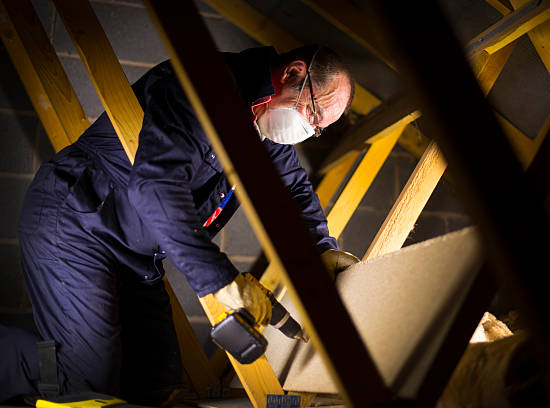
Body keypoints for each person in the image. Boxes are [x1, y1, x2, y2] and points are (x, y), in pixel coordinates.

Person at [0, 45, 360, 404]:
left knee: (160, 388)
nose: (306, 128)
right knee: (87, 387)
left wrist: (322, 248)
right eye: (313, 112)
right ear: (294, 73)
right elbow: (156, 186)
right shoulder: (204, 85)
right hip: (78, 222)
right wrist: (221, 280)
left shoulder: (262, 125)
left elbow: (293, 189)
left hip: (135, 254)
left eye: (316, 128)